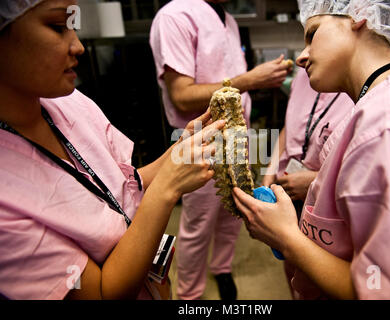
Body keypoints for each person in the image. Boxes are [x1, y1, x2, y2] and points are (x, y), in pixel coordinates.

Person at [0, 0, 224, 300]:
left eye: (73, 27)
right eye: (56, 27)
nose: (78, 46)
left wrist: (176, 155)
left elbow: (115, 189)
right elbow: (102, 293)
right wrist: (167, 189)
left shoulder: (68, 104)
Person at [233, 0, 390, 299]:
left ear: (360, 16)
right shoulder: (380, 107)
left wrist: (286, 237)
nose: (302, 56)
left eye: (313, 34)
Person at [149, 0, 292, 300]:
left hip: (239, 136)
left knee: (235, 210)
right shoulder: (175, 16)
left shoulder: (228, 19)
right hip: (201, 138)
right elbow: (182, 96)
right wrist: (250, 80)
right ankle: (189, 295)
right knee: (198, 224)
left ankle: (222, 268)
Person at [262, 68, 354, 299]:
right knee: (292, 262)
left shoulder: (360, 90)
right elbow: (288, 129)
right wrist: (269, 171)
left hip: (327, 203)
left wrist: (314, 180)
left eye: (313, 36)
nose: (303, 55)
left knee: (320, 274)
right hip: (289, 191)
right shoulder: (302, 77)